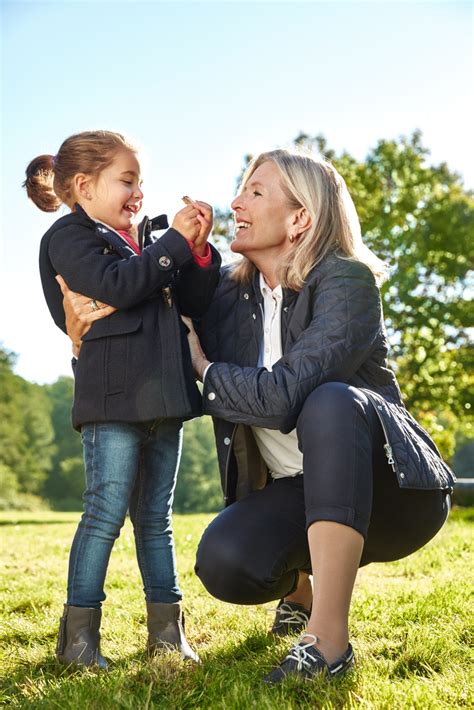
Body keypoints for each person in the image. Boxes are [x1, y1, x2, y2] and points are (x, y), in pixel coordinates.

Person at [60, 147, 455, 685]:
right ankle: (300, 588)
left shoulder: (346, 281)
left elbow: (286, 395)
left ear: (300, 219)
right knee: (226, 562)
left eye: (255, 192)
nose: (235, 203)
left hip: (394, 493)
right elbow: (144, 313)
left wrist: (205, 368)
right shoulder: (225, 294)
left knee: (329, 399)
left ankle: (328, 641)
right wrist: (76, 323)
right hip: (295, 488)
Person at [24, 130, 221, 668]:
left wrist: (198, 253)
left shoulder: (149, 242)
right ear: (84, 186)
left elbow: (196, 302)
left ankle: (167, 633)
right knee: (104, 513)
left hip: (165, 400)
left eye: (142, 183)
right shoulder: (69, 238)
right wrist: (172, 248)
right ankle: (80, 638)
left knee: (155, 516)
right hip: (111, 400)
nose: (138, 193)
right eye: (127, 181)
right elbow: (116, 285)